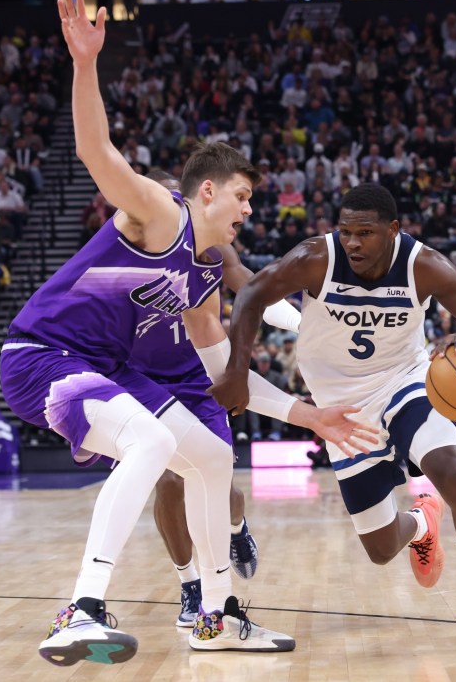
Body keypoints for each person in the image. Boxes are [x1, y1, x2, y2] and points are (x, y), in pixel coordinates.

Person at [1, 0, 373, 666]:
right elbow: (94, 148)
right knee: (151, 438)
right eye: (243, 195)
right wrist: (85, 63)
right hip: (40, 355)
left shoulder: (202, 277)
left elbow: (222, 374)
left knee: (211, 453)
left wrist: (309, 416)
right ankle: (81, 608)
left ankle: (217, 614)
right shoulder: (158, 211)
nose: (248, 209)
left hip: (106, 369)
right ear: (207, 190)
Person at [211, 183, 456, 652]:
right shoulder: (317, 257)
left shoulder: (425, 265)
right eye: (346, 231)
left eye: (365, 232)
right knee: (380, 549)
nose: (353, 242)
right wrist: (238, 370)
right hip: (341, 406)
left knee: (452, 473)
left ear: (393, 231)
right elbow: (252, 293)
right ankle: (422, 523)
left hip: (406, 381)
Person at [130, 171, 302, 627]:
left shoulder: (209, 240)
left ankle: (235, 527)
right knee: (170, 480)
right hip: (145, 378)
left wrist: (303, 323)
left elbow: (248, 283)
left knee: (218, 485)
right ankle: (190, 584)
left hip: (198, 372)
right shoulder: (125, 243)